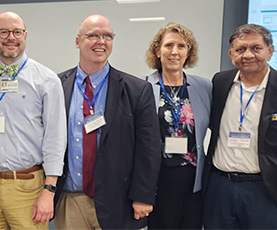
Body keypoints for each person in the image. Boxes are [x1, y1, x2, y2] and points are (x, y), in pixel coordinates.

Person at [54, 14, 161, 230]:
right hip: (70, 199)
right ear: (77, 41)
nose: (100, 41)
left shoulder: (136, 90)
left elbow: (148, 148)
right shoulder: (56, 85)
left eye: (107, 36)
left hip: (119, 202)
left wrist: (143, 196)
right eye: (93, 35)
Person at [0, 11, 67, 229]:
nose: (10, 37)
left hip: (27, 186)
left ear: (25, 36)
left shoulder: (46, 80)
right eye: (3, 32)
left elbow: (55, 138)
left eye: (17, 32)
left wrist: (49, 190)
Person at [203, 24, 277, 229]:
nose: (248, 55)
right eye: (240, 49)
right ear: (230, 54)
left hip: (264, 188)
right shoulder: (220, 82)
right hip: (220, 186)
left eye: (256, 48)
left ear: (270, 51)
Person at [144, 23, 212, 229]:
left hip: (193, 180)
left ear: (188, 52)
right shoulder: (142, 86)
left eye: (181, 46)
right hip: (157, 178)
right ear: (157, 50)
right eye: (168, 45)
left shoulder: (205, 87)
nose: (174, 51)